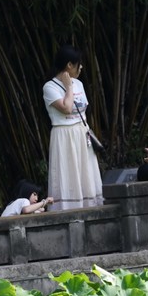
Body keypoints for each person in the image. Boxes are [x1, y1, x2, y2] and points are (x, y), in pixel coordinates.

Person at [42, 44, 103, 210]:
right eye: (79, 63)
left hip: (81, 133)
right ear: (69, 65)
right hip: (64, 134)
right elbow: (67, 108)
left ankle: (89, 207)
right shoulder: (50, 87)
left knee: (85, 173)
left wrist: (72, 85)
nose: (81, 67)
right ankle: (69, 211)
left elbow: (83, 108)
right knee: (67, 173)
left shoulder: (79, 84)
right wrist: (69, 87)